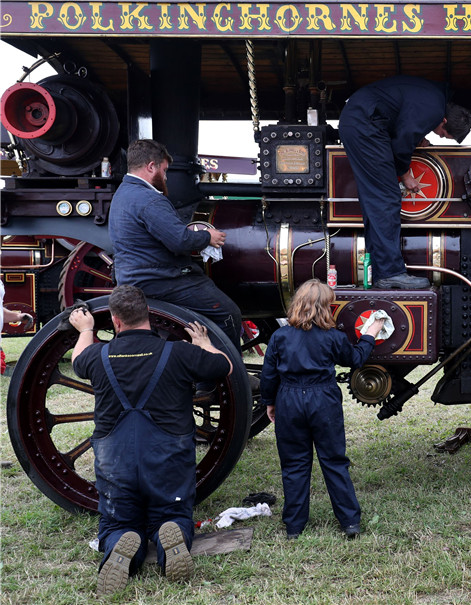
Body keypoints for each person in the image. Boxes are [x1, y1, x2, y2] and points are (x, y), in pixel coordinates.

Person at [69, 285, 232, 595]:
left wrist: (86, 329)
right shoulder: (180, 353)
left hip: (115, 460)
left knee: (116, 523)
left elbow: (77, 359)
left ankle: (119, 544)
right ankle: (169, 535)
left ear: (116, 321)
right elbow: (224, 365)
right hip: (167, 457)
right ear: (149, 317)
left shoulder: (97, 355)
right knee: (172, 515)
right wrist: (203, 342)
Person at [260, 279, 385, 539]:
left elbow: (269, 374)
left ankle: (294, 526)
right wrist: (371, 332)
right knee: (335, 461)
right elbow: (356, 359)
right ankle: (350, 522)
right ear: (325, 308)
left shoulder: (280, 336)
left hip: (289, 399)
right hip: (323, 398)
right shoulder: (333, 337)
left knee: (294, 464)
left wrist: (270, 402)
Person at [339, 76, 471, 289]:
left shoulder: (434, 99)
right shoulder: (433, 110)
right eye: (443, 134)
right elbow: (402, 140)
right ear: (444, 121)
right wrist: (405, 173)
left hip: (364, 121)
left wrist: (417, 136)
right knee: (386, 199)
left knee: (376, 202)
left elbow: (402, 120)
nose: (438, 136)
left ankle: (377, 269)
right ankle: (390, 273)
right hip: (365, 125)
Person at [108, 139, 243, 350]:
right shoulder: (149, 199)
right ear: (151, 166)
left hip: (133, 278)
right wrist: (208, 237)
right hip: (160, 280)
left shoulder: (123, 194)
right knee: (228, 313)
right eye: (164, 170)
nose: (165, 176)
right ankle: (221, 376)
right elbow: (180, 242)